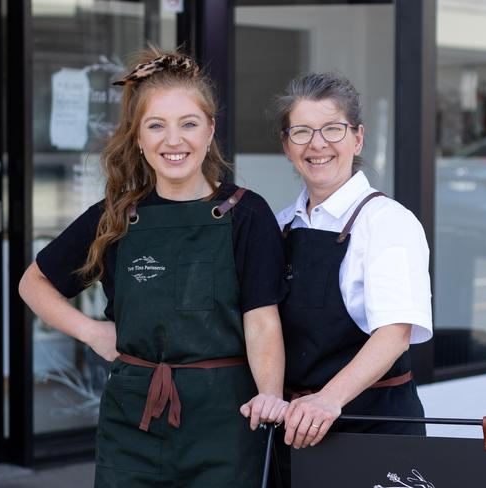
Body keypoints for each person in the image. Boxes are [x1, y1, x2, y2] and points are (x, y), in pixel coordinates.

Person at [19, 48, 288, 487]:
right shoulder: (115, 216)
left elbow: (261, 320)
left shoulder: (247, 213)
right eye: (156, 125)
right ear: (139, 138)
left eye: (188, 124)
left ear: (210, 130)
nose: (173, 140)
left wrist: (271, 397)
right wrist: (90, 331)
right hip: (132, 423)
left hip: (226, 423)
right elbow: (34, 282)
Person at [273, 73, 433, 482]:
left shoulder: (388, 223)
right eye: (302, 131)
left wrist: (328, 400)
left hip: (374, 430)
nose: (317, 143)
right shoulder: (280, 226)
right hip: (297, 431)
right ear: (286, 145)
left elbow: (394, 333)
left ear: (357, 139)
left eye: (332, 129)